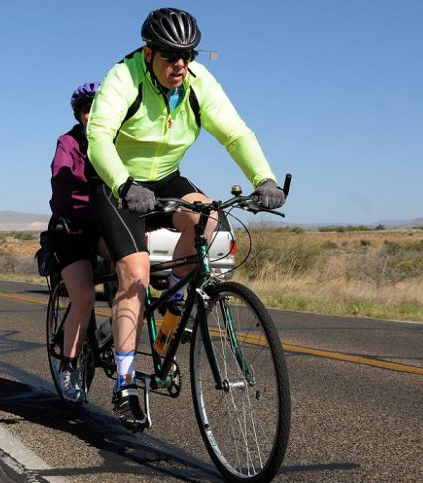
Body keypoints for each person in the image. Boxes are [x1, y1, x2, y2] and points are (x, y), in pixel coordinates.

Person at [86, 7, 286, 432]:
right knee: (136, 272)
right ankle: (124, 384)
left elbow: (235, 132)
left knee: (209, 220)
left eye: (189, 55)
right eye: (171, 56)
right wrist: (124, 184)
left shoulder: (197, 83)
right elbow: (98, 138)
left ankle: (172, 313)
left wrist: (263, 177)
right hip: (118, 181)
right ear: (148, 51)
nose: (181, 65)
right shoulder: (124, 77)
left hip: (166, 177)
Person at [48, 81, 109, 406]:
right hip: (70, 227)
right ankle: (68, 365)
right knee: (84, 298)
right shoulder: (68, 143)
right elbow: (60, 178)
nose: (92, 115)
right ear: (79, 114)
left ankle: (114, 330)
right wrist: (65, 213)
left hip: (104, 224)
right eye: (87, 110)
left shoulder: (116, 141)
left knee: (132, 268)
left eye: (97, 109)